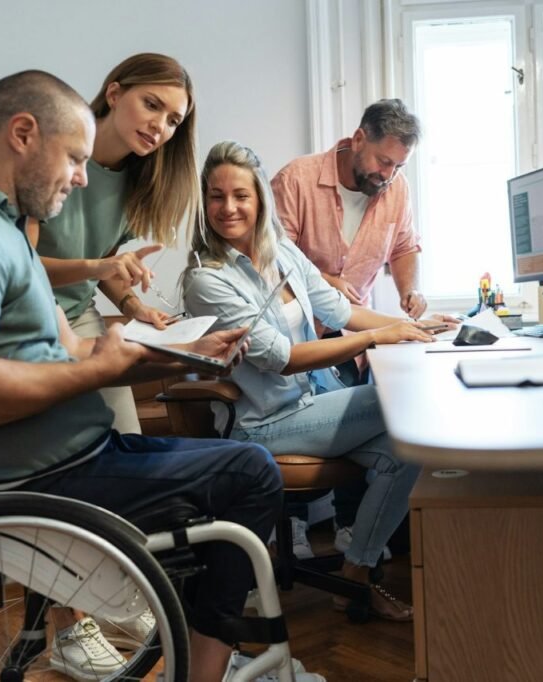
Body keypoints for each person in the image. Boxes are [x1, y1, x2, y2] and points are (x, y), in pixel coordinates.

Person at [0, 71, 286, 682]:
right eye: (73, 158)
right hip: (48, 477)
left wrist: (183, 353)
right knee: (250, 471)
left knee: (237, 466)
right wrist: (99, 369)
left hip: (75, 456)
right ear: (22, 134)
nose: (83, 177)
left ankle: (199, 660)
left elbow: (77, 355)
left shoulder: (3, 229)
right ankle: (202, 670)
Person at [183, 140, 452, 622]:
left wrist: (413, 328)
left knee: (405, 451)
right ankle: (365, 573)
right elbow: (281, 359)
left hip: (316, 405)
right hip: (269, 422)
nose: (229, 208)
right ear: (204, 203)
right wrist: (380, 339)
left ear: (260, 199)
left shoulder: (282, 250)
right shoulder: (207, 280)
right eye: (217, 196)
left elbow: (340, 311)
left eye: (241, 195)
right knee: (406, 404)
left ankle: (355, 574)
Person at [271, 99, 431, 549]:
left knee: (363, 423)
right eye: (384, 161)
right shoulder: (296, 179)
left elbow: (404, 246)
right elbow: (270, 259)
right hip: (296, 335)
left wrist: (408, 293)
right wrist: (325, 281)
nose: (388, 175)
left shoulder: (394, 190)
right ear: (358, 138)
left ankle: (350, 530)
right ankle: (294, 529)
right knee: (323, 424)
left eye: (399, 166)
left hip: (348, 331)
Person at [29, 53, 201, 434]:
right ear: (114, 94)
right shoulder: (51, 157)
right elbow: (20, 269)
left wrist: (133, 304)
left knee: (126, 439)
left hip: (80, 317)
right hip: (25, 320)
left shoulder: (137, 183)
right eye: (151, 105)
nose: (159, 126)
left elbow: (102, 257)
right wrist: (98, 267)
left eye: (173, 121)